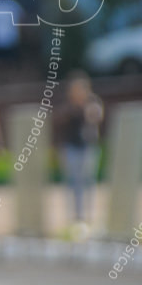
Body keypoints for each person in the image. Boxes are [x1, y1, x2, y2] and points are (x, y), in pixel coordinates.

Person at [53, 70, 104, 236]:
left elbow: (95, 117)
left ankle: (88, 217)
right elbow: (60, 123)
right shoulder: (66, 106)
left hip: (87, 147)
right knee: (73, 183)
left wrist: (86, 105)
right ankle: (75, 218)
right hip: (70, 148)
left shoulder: (92, 104)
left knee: (88, 181)